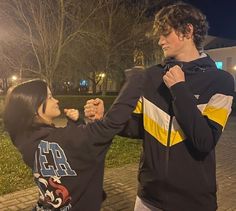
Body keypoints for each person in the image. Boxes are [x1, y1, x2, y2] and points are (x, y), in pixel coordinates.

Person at [84, 2, 235, 211]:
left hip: (194, 202)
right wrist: (104, 117)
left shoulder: (220, 81)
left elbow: (204, 141)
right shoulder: (151, 76)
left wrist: (179, 89)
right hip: (148, 199)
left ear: (188, 30)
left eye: (166, 33)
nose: (160, 40)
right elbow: (136, 127)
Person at [3, 68, 144, 211]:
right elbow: (110, 125)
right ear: (34, 108)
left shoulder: (25, 141)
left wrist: (76, 123)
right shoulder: (65, 140)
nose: (56, 100)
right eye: (50, 97)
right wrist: (136, 78)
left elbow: (72, 153)